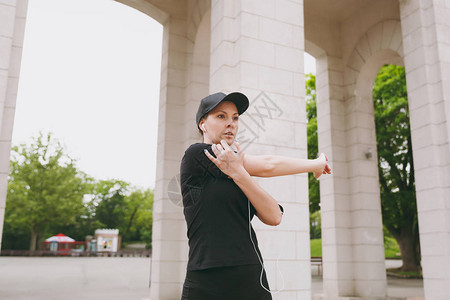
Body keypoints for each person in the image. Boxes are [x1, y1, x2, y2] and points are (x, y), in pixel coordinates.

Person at [180, 92, 331, 300]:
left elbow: (275, 217)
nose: (231, 123)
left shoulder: (238, 172)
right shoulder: (196, 155)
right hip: (207, 278)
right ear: (203, 124)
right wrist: (315, 164)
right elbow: (268, 164)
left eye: (235, 117)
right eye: (221, 116)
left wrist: (240, 174)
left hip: (250, 275)